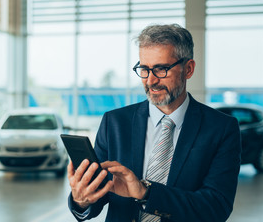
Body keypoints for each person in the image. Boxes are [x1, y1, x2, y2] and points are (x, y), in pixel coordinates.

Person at [67, 24, 241, 222]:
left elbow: (216, 207)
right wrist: (81, 200)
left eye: (161, 69)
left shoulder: (221, 129)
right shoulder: (114, 123)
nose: (150, 81)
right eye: (144, 69)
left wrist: (146, 193)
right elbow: (97, 196)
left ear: (188, 69)